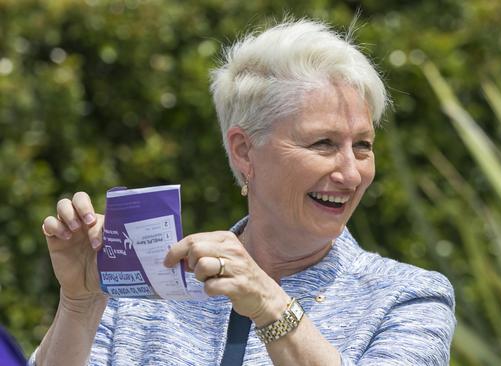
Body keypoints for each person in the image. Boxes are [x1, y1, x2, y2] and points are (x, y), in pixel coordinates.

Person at [32, 19, 455, 365]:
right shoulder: (142, 291)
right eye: (323, 144)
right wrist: (80, 302)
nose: (350, 172)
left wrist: (269, 303)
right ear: (243, 150)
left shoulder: (407, 298)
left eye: (362, 145)